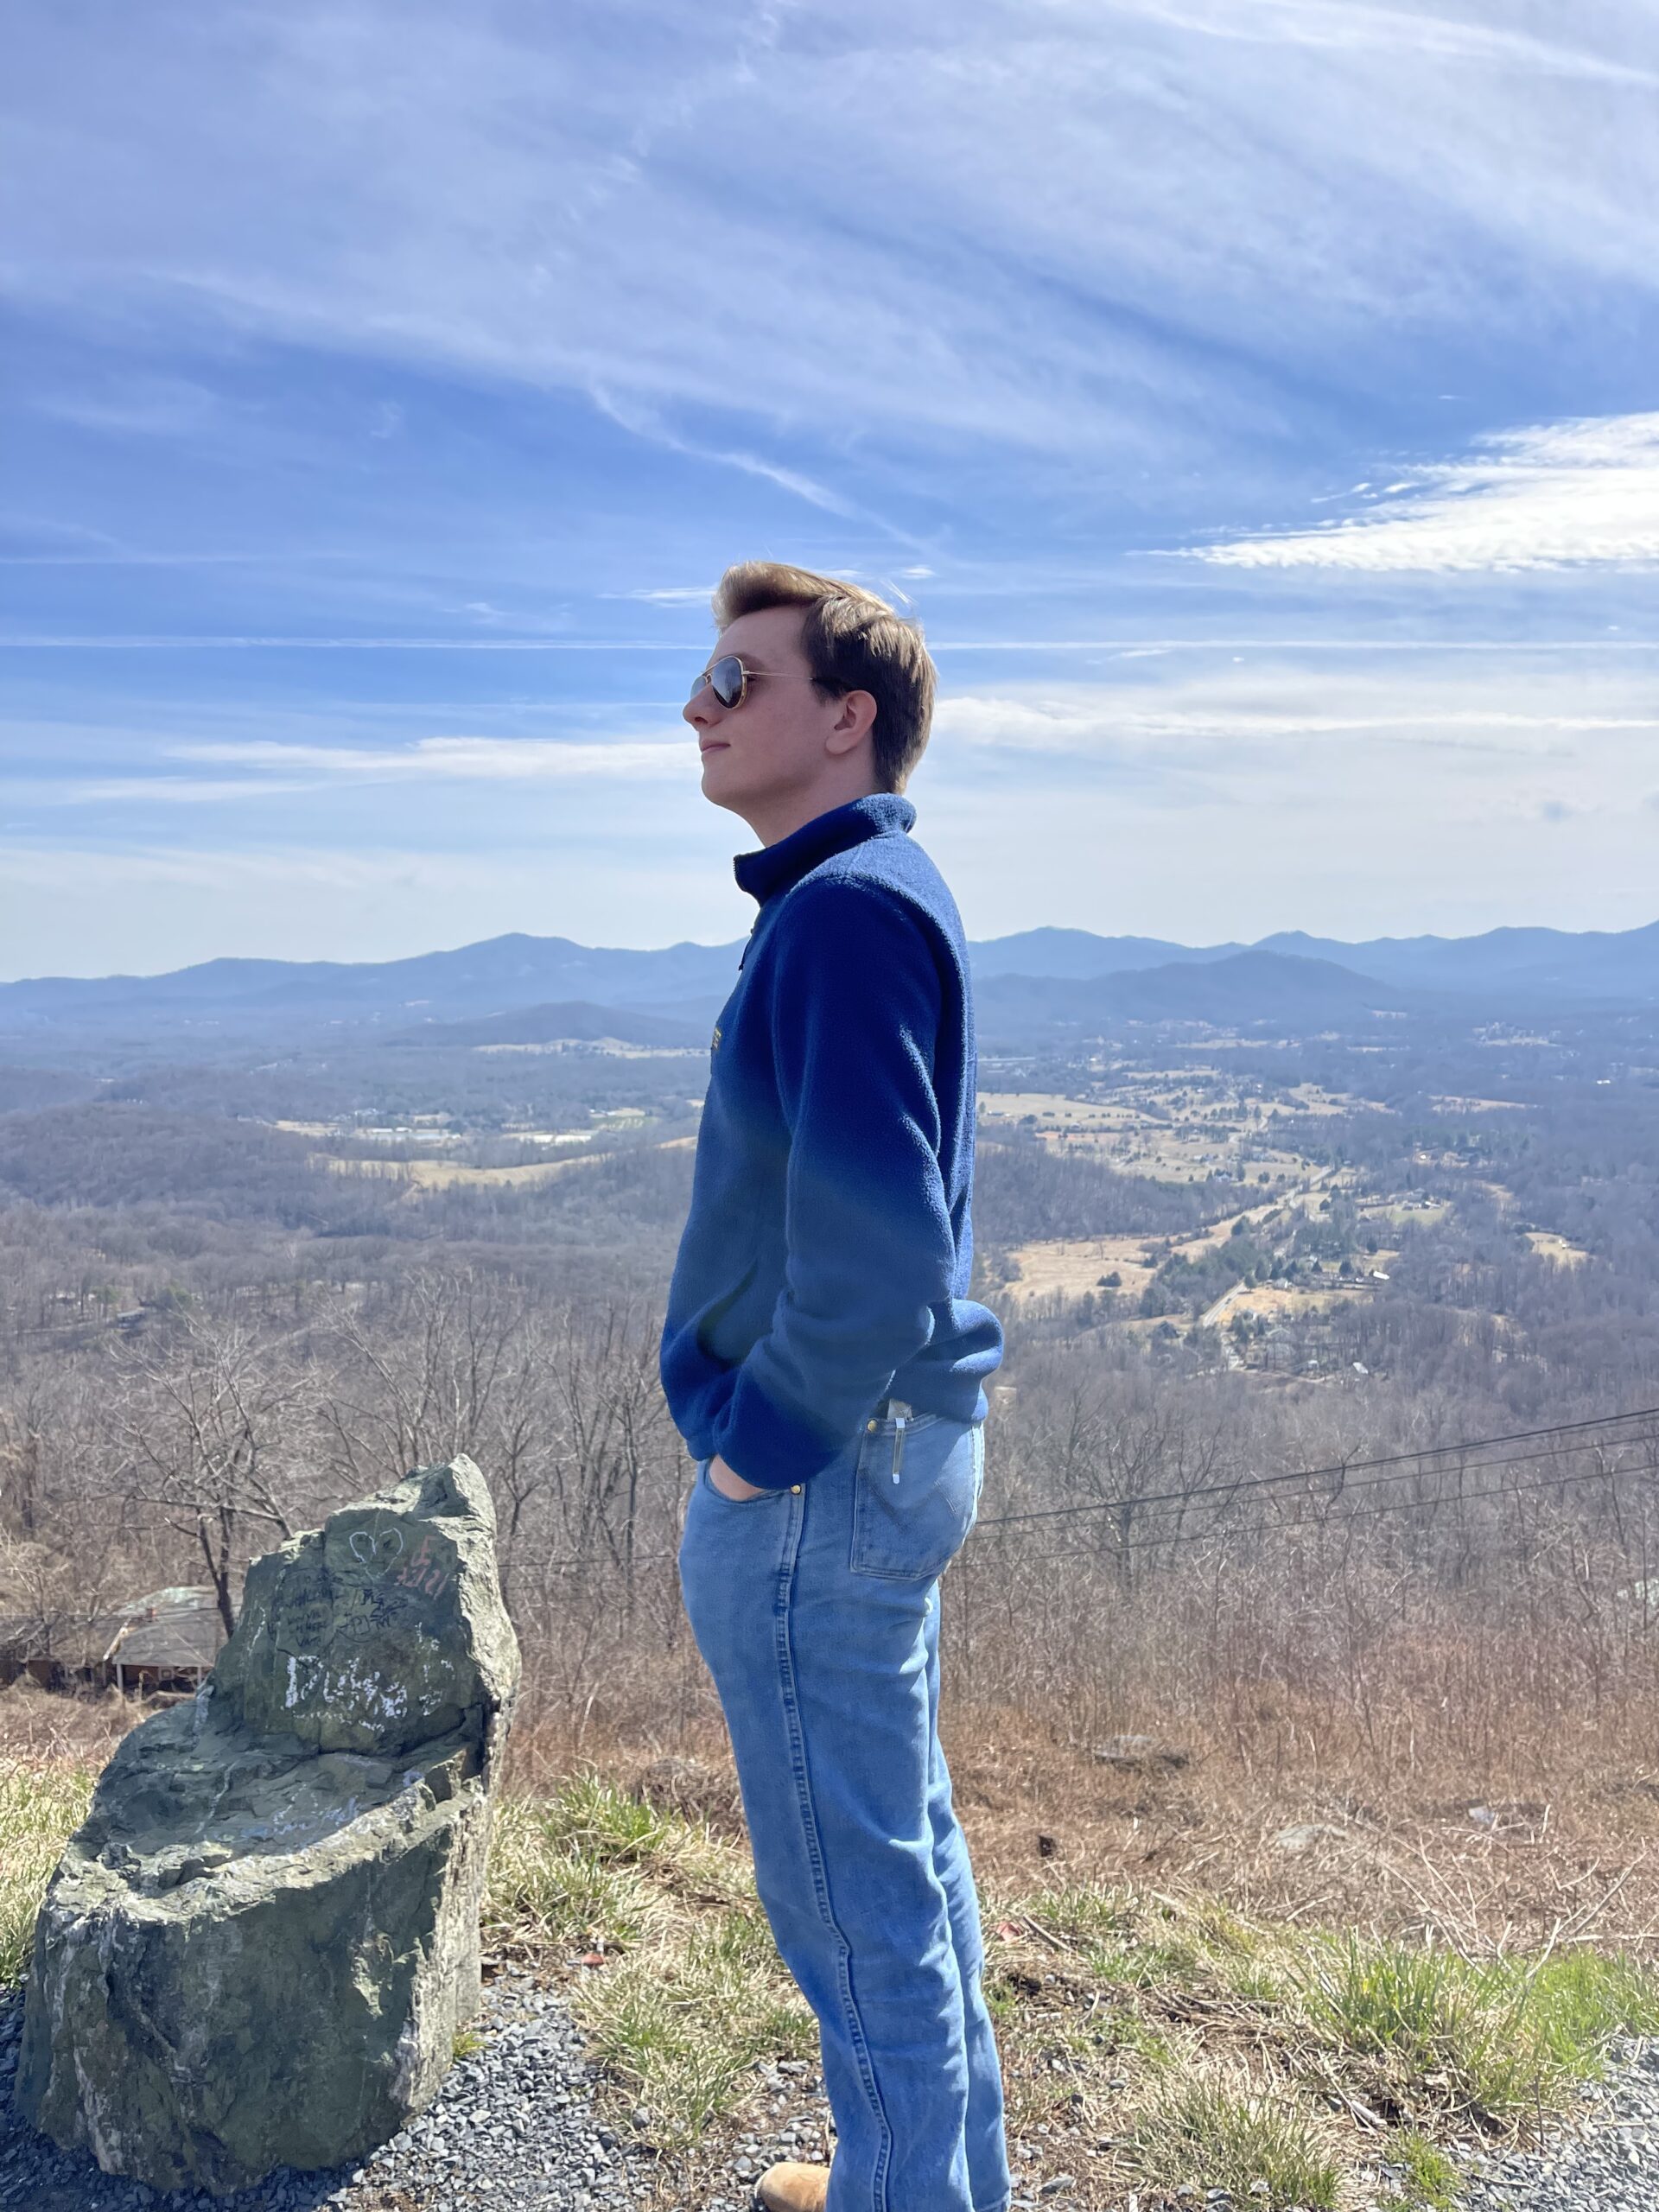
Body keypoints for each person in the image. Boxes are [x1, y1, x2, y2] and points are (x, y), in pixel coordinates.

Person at [663, 563, 1012, 2212]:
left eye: (738, 680)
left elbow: (875, 1267)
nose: (697, 707)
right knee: (901, 1853)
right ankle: (935, 2185)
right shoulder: (868, 892)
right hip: (884, 1456)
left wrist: (756, 1454)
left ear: (845, 716)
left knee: (854, 1910)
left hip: (825, 1472)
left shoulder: (844, 913)